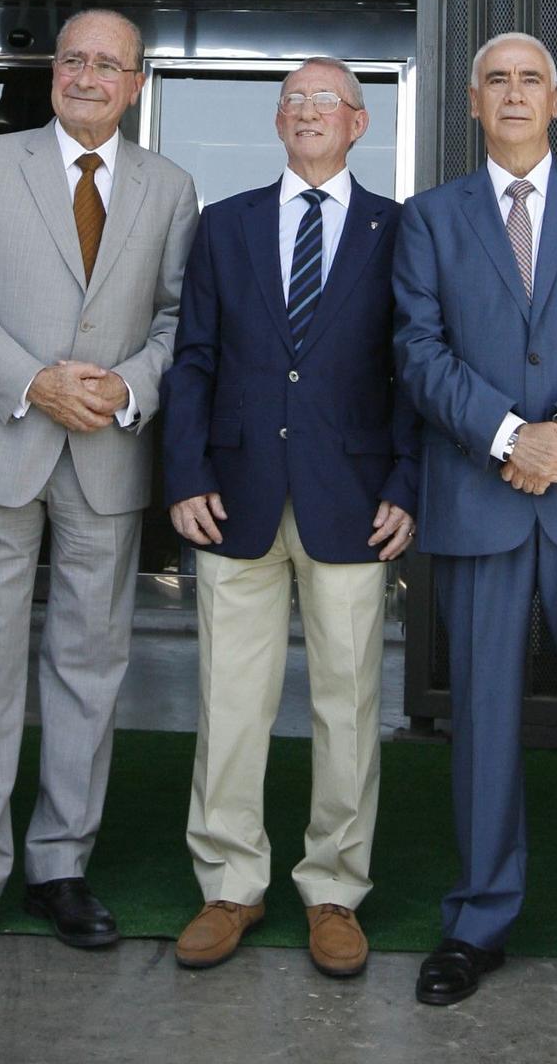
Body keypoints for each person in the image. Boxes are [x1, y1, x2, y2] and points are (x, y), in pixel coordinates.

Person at [0, 9, 198, 969]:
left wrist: (129, 388)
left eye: (106, 63)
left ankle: (60, 864)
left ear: (135, 82)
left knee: (89, 666)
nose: (86, 75)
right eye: (72, 58)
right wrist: (34, 380)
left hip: (106, 454)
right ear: (53, 74)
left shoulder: (171, 187)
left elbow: (175, 318)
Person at [394, 32, 557, 1014]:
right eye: (495, 80)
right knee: (483, 723)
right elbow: (418, 351)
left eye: (530, 80)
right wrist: (509, 434)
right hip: (480, 493)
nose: (513, 94)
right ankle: (477, 918)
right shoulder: (430, 218)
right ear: (472, 102)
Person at [163, 58, 418, 979]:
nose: (308, 113)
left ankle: (335, 891)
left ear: (359, 125)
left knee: (346, 702)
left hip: (351, 498)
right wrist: (185, 471)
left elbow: (412, 368)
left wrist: (407, 482)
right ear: (277, 123)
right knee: (230, 699)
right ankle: (231, 882)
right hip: (233, 494)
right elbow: (192, 357)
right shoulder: (224, 226)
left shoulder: (399, 230)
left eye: (328, 102)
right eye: (293, 102)